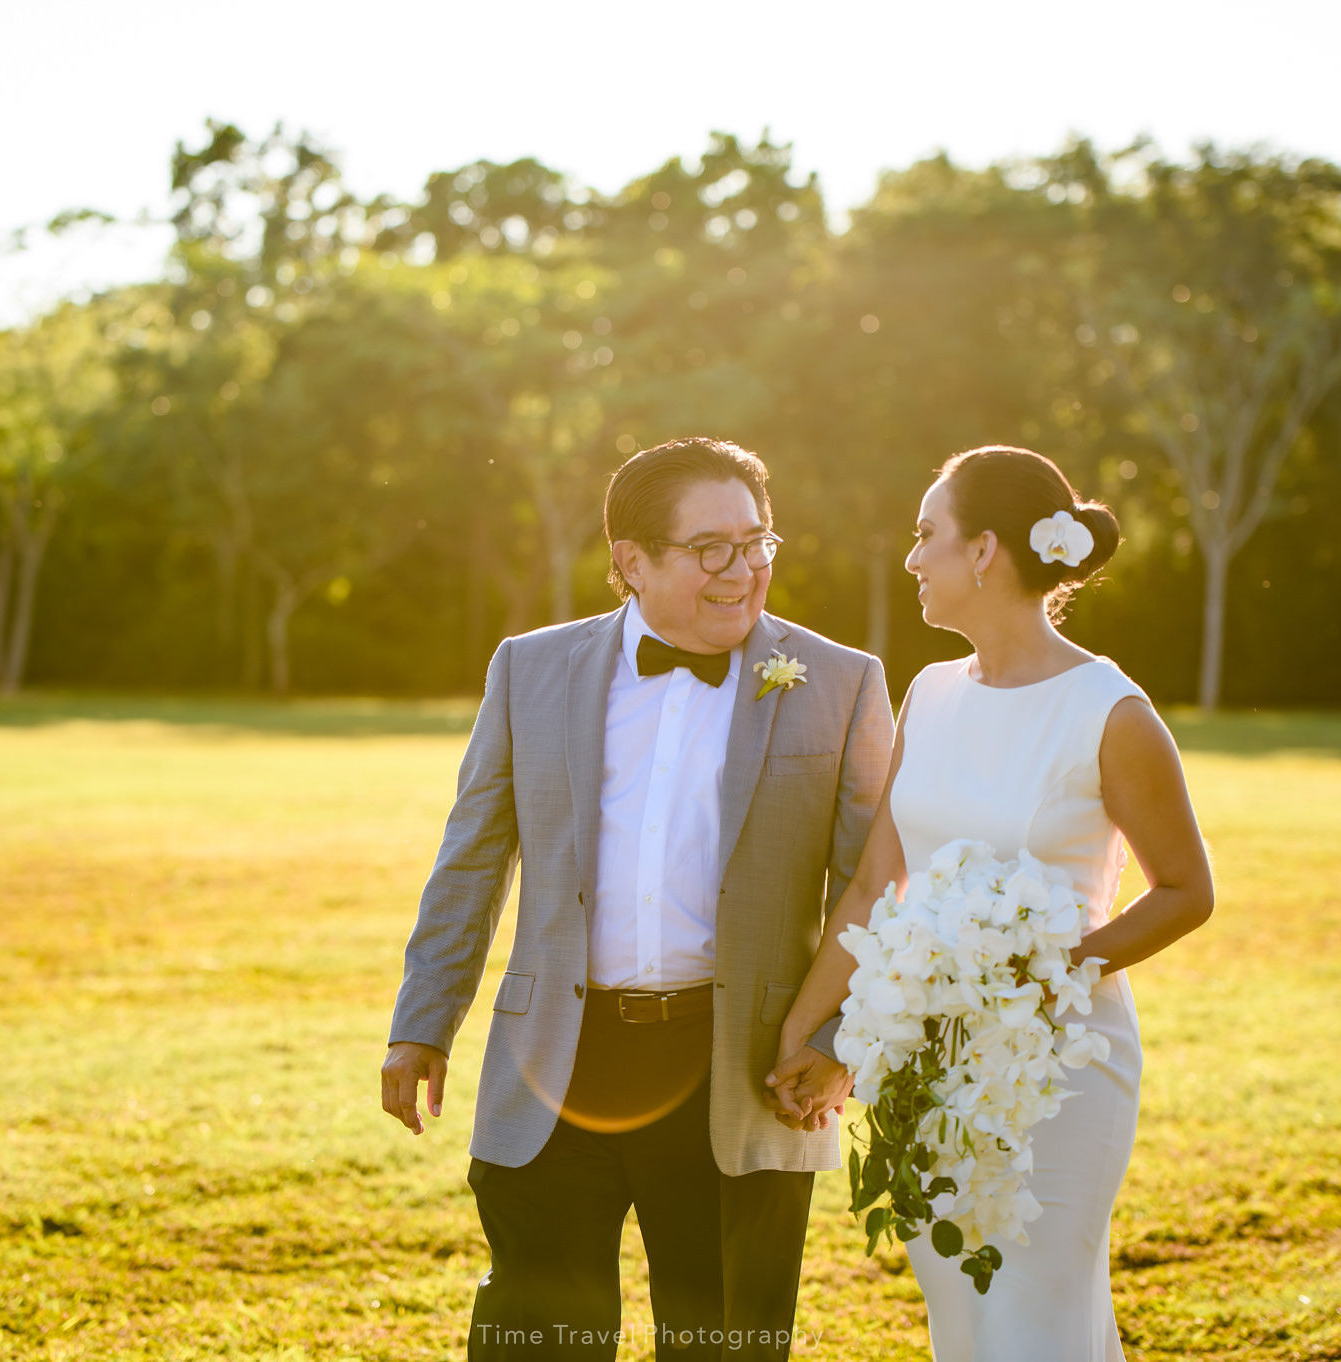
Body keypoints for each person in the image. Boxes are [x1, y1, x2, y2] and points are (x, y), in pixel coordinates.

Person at [381, 436, 894, 1361]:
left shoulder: (842, 683)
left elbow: (874, 888)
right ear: (631, 561)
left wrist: (834, 1044)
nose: (744, 571)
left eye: (758, 543)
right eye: (712, 550)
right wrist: (423, 1022)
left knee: (721, 1343)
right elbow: (470, 859)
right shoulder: (528, 670)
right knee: (537, 1341)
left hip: (737, 1078)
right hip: (554, 1068)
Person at [767, 445, 1215, 1360]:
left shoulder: (1111, 713)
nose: (912, 557)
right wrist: (810, 1034)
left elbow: (1187, 891)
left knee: (1031, 1320)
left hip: (1057, 1064)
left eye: (927, 534)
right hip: (923, 1060)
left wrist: (1047, 971)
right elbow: (871, 885)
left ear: (984, 552)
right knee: (963, 1318)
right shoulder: (929, 695)